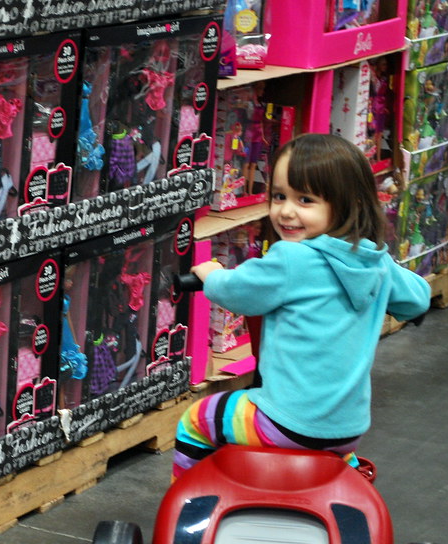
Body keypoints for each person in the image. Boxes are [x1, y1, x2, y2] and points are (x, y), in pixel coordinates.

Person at [173, 134, 431, 478]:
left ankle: (191, 506)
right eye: (279, 196)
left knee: (197, 421)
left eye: (305, 199)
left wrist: (212, 275)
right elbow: (418, 299)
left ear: (345, 203)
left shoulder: (292, 258)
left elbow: (238, 291)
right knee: (320, 449)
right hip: (346, 431)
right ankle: (345, 476)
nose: (287, 211)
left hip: (284, 422)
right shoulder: (374, 261)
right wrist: (389, 275)